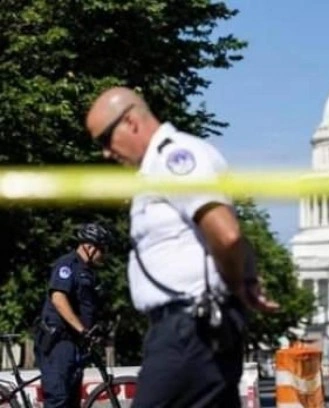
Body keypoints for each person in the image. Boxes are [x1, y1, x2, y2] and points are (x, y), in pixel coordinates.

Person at [84, 86, 280, 407]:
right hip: (191, 331)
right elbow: (231, 235)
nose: (106, 153)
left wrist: (235, 287)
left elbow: (226, 233)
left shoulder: (174, 158)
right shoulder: (157, 167)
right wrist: (244, 280)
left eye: (105, 139)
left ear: (131, 122)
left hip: (187, 331)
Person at [35, 222, 113, 408]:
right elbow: (58, 298)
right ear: (89, 247)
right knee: (58, 399)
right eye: (102, 249)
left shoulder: (89, 273)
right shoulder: (67, 264)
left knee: (71, 402)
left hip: (75, 343)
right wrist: (81, 329)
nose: (104, 255)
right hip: (58, 342)